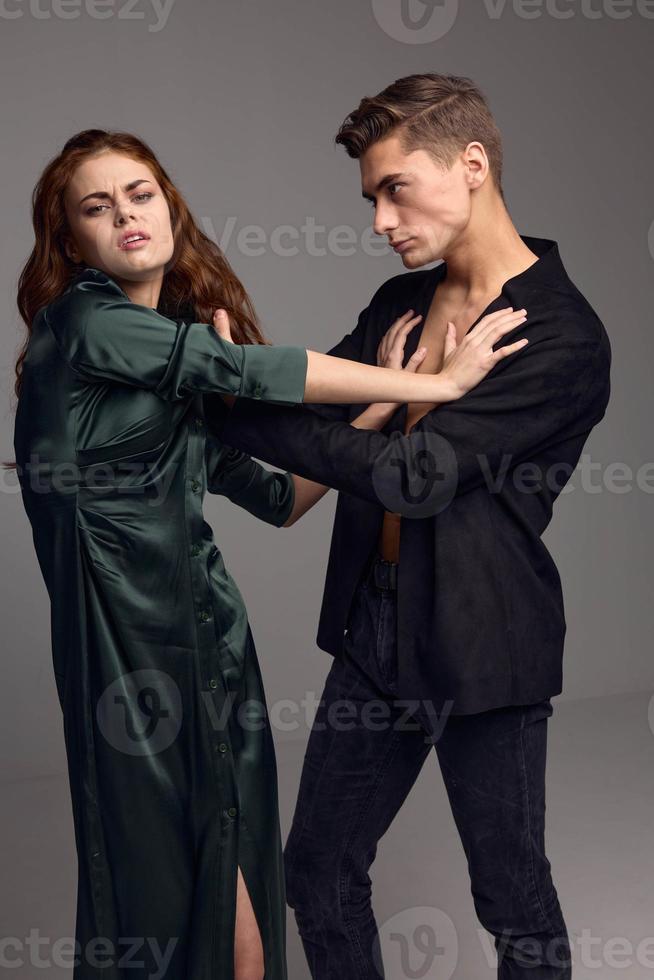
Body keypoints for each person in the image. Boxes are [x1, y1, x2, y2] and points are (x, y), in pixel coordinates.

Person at [7, 128, 526, 980]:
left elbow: (282, 501)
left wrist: (369, 418)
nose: (127, 215)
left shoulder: (170, 362)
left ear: (168, 208)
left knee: (243, 890)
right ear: (72, 240)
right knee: (160, 889)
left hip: (210, 644)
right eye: (97, 207)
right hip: (125, 663)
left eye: (140, 194)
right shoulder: (82, 323)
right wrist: (437, 384)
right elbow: (253, 372)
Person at [210, 73, 612, 978]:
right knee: (314, 869)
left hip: (483, 640)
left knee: (512, 900)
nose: (381, 220)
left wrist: (235, 401)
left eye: (397, 188)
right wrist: (224, 371)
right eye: (371, 197)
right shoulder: (400, 305)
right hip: (374, 627)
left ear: (472, 164)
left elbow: (414, 475)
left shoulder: (559, 335)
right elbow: (314, 418)